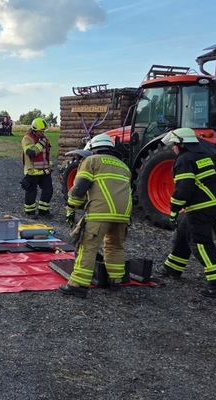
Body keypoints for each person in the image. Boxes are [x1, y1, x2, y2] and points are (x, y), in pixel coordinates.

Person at [157, 128, 216, 298]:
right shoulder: (203, 156)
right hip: (208, 203)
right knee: (183, 232)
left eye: (175, 145)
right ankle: (172, 268)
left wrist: (174, 209)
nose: (173, 148)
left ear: (182, 144)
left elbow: (183, 188)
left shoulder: (184, 159)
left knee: (200, 243)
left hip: (200, 207)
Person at [59, 133, 132, 298]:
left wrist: (71, 208)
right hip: (123, 214)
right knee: (115, 246)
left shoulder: (91, 161)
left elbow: (80, 188)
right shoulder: (123, 166)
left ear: (92, 149)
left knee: (87, 246)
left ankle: (78, 285)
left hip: (100, 212)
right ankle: (116, 281)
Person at [20, 117, 53, 219]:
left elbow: (47, 154)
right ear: (35, 130)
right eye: (41, 131)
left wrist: (50, 166)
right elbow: (31, 152)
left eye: (43, 131)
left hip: (44, 171)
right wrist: (41, 144)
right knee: (31, 191)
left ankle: (43, 210)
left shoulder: (43, 139)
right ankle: (30, 212)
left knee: (48, 190)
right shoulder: (27, 138)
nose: (43, 133)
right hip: (32, 171)